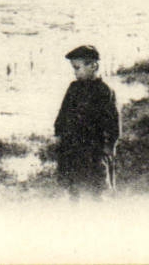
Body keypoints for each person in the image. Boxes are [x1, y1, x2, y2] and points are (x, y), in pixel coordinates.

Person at [53, 44, 119, 192]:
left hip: (94, 152)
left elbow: (113, 125)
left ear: (93, 66)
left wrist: (109, 147)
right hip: (70, 150)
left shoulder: (105, 91)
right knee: (71, 190)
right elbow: (63, 114)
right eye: (73, 68)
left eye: (77, 68)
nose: (75, 73)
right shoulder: (73, 88)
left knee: (97, 191)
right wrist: (58, 133)